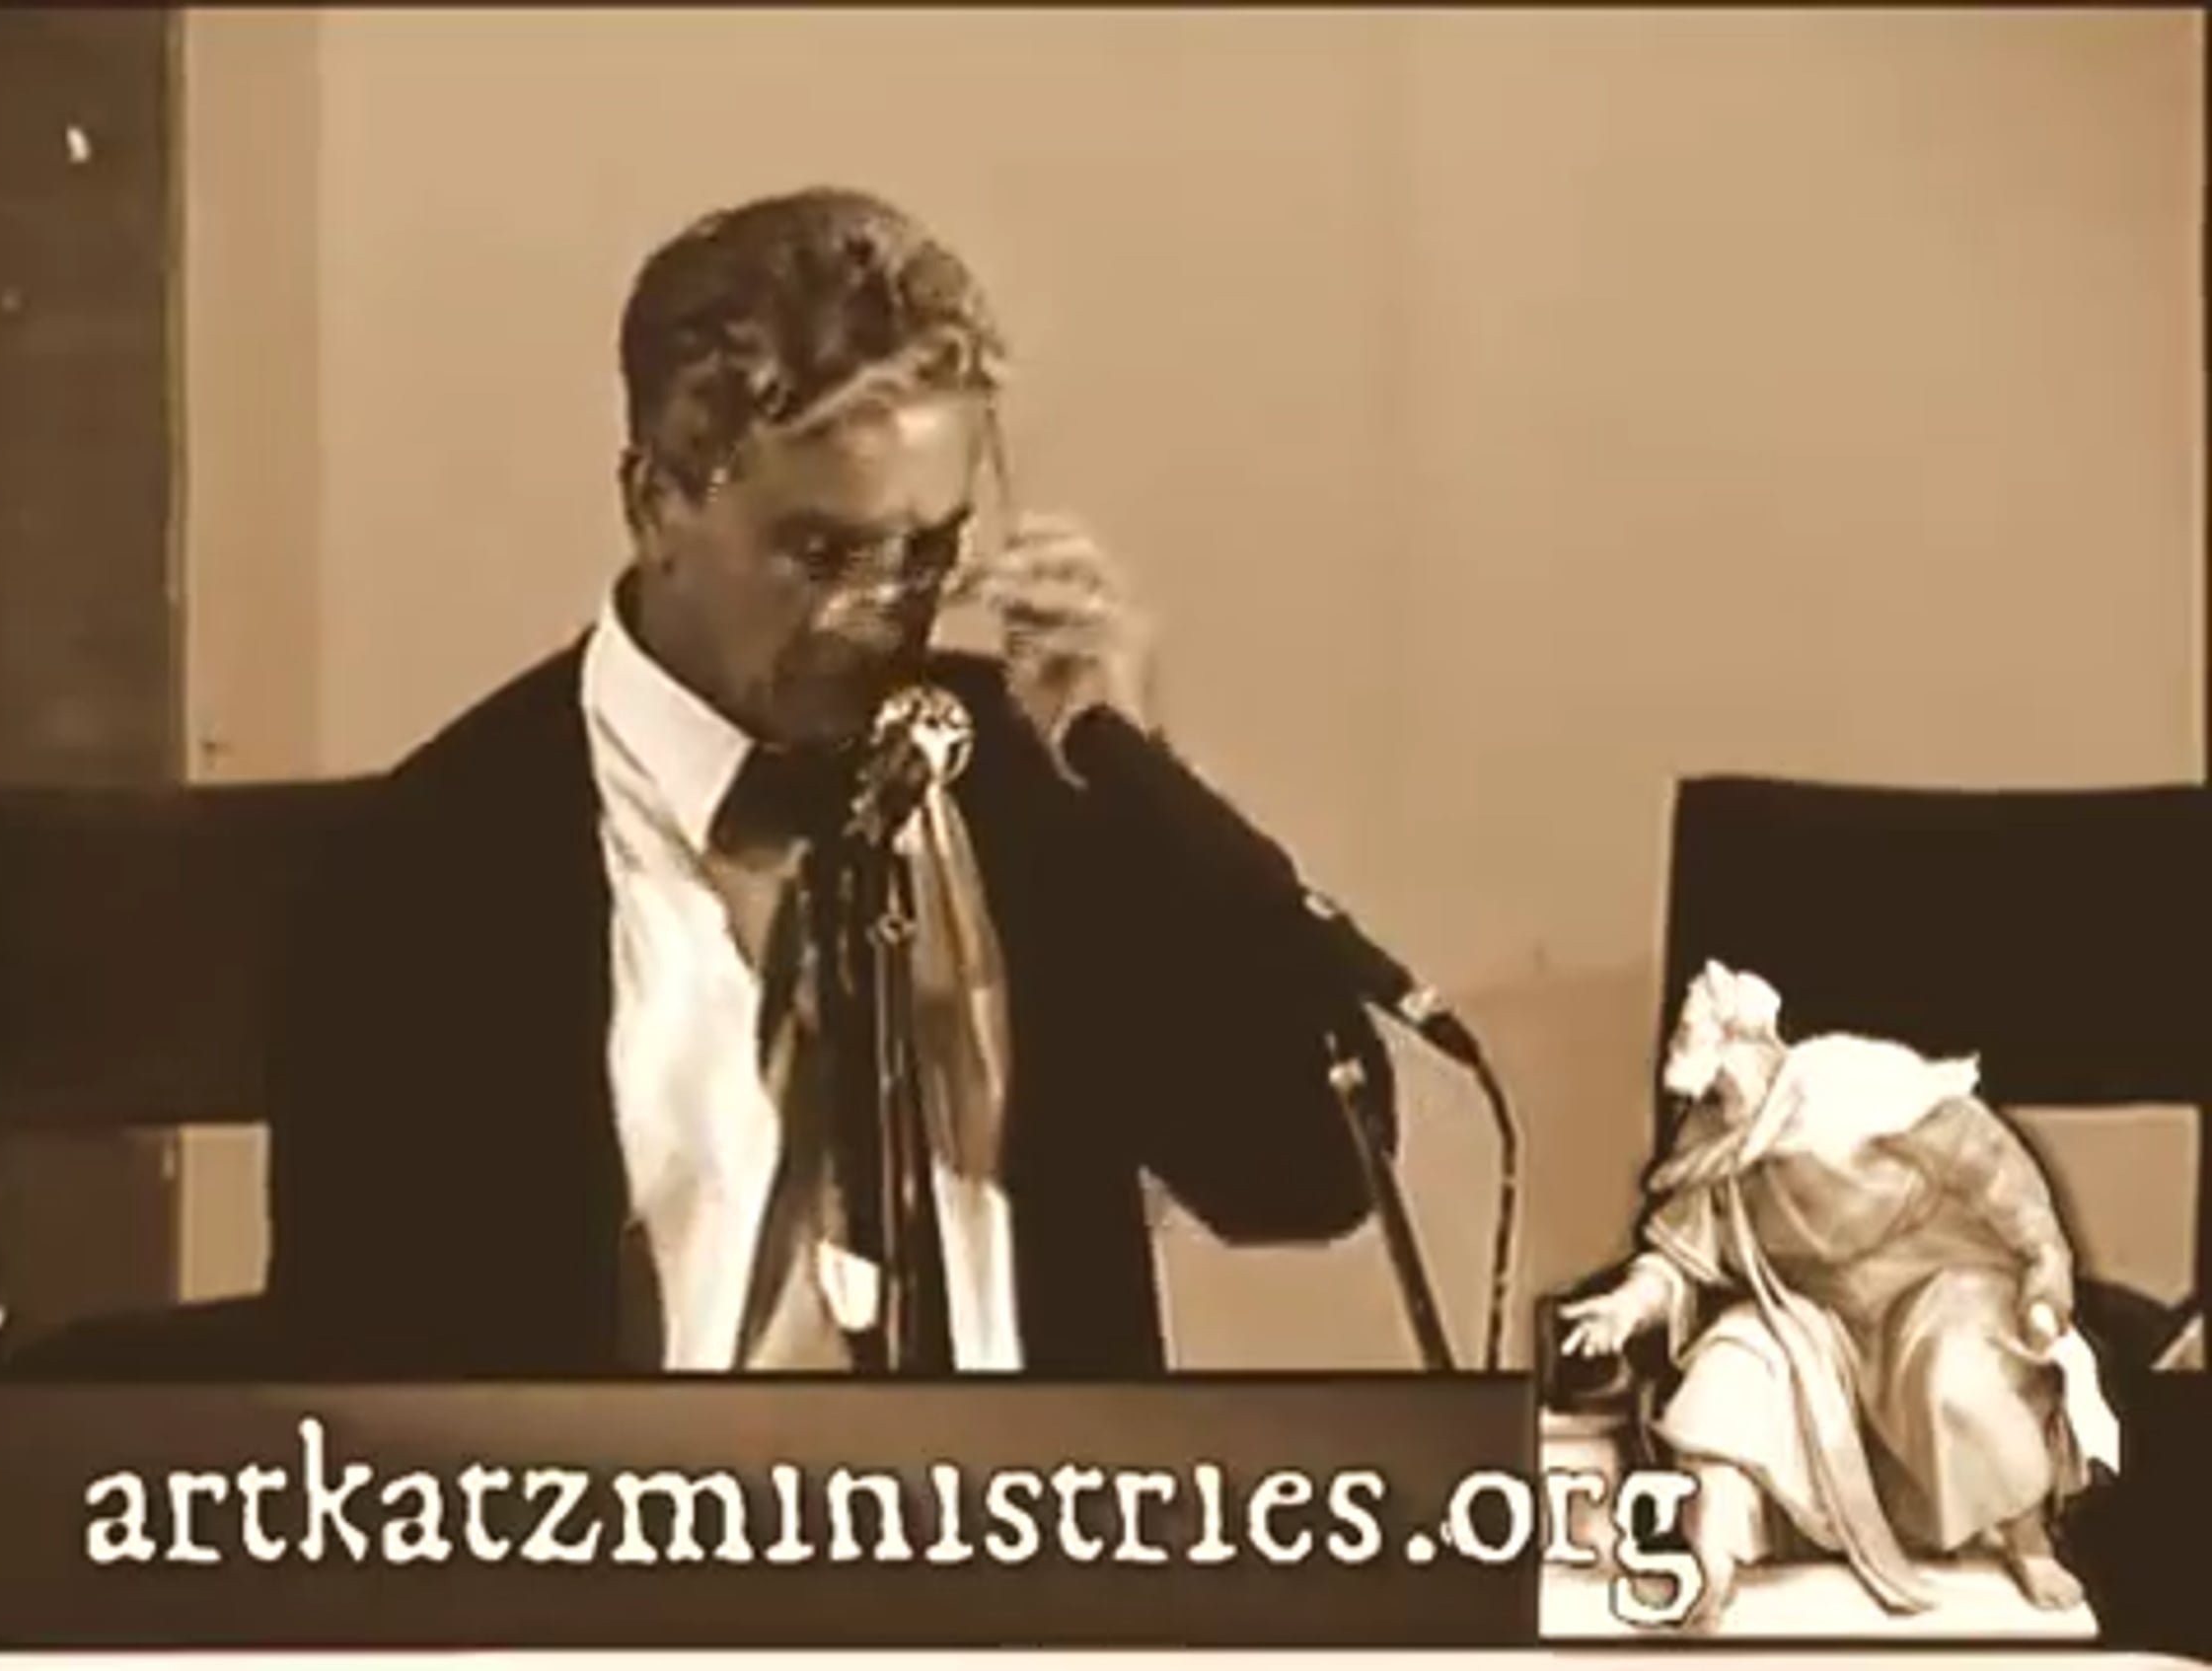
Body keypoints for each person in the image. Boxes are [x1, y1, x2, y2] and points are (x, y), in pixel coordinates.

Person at [261, 186, 1392, 1378]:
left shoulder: (1027, 781)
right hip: (639, 1501)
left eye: (930, 550)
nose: (881, 615)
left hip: (1025, 1498)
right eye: (822, 552)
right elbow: (377, 1397)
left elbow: (1306, 1176)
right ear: (656, 504)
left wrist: (1137, 779)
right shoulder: (427, 870)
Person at [1558, 961, 2103, 1627]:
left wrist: (2044, 1258)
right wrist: (1627, 1305)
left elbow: (1986, 1163)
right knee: (1728, 1370)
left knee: (1953, 1377)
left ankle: (2025, 1536)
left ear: (1759, 1044)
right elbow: (1682, 1259)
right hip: (1814, 1319)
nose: (1722, 1092)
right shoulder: (1718, 1144)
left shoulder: (1851, 1083)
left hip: (1935, 1287)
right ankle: (1710, 1564)